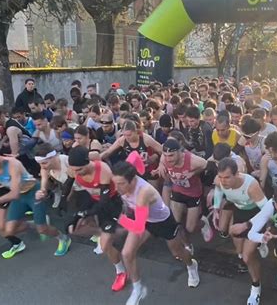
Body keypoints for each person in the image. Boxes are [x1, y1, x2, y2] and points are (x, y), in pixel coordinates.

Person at [112, 161, 200, 305]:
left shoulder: (143, 193)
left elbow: (138, 227)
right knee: (127, 253)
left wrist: (118, 218)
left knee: (177, 252)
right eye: (115, 183)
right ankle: (138, 288)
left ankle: (191, 265)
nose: (116, 187)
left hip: (162, 222)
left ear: (132, 180)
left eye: (121, 183)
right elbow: (134, 157)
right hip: (144, 220)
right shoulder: (123, 183)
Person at [0, 144, 71, 257]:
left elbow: (14, 194)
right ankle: (35, 223)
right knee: (9, 231)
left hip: (32, 192)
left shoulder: (12, 164)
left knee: (42, 230)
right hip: (20, 196)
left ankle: (63, 238)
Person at [66, 146, 127, 292]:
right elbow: (67, 185)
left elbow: (104, 202)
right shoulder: (75, 169)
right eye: (73, 169)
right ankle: (112, 232)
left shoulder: (103, 170)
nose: (76, 173)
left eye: (79, 170)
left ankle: (121, 271)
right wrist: (65, 202)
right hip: (93, 199)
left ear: (87, 163)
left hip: (111, 203)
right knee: (73, 229)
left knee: (105, 245)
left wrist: (85, 213)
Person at [212, 158, 268, 305]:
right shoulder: (219, 180)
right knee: (240, 251)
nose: (223, 181)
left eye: (227, 177)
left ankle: (256, 288)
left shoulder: (251, 186)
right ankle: (259, 244)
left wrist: (246, 225)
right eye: (221, 177)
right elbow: (218, 189)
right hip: (240, 213)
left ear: (237, 174)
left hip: (256, 216)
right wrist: (216, 208)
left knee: (247, 257)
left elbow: (268, 211)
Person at [158, 139, 212, 252]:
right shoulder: (165, 158)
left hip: (193, 194)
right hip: (177, 191)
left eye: (171, 155)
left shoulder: (192, 160)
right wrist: (160, 165)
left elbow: (207, 165)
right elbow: (162, 159)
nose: (168, 159)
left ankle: (203, 223)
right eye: (166, 155)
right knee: (176, 224)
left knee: (190, 228)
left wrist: (193, 173)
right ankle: (187, 245)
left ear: (179, 152)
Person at [101, 120, 162, 186]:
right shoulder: (122, 140)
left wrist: (160, 164)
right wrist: (94, 159)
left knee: (153, 192)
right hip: (134, 172)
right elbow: (108, 152)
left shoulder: (145, 139)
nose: (127, 137)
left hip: (150, 170)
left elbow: (162, 150)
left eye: (129, 135)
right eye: (125, 135)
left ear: (136, 132)